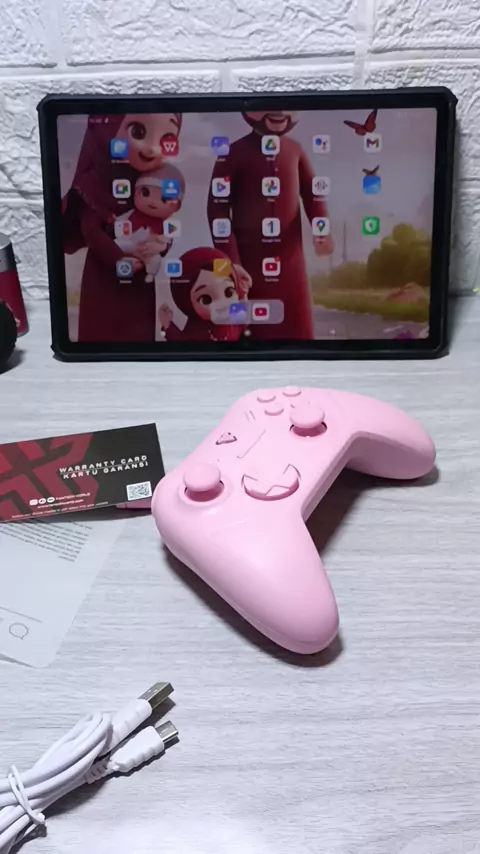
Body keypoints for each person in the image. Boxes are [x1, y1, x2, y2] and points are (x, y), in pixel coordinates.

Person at [207, 111, 333, 340]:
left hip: (292, 265)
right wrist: (231, 262)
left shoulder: (295, 150)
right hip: (246, 265)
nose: (279, 110)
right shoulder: (232, 153)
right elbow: (217, 210)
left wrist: (321, 230)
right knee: (248, 333)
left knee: (299, 329)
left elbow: (313, 194)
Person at [63, 113, 182, 342]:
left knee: (139, 333)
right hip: (103, 276)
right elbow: (91, 231)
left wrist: (160, 246)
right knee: (100, 331)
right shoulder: (93, 184)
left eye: (166, 137)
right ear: (107, 131)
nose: (152, 148)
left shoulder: (155, 184)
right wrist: (119, 259)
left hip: (139, 282)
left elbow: (163, 226)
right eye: (138, 132)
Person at [158, 247, 251, 343]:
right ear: (187, 303)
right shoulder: (196, 331)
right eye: (206, 300)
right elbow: (182, 344)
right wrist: (168, 325)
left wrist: (243, 293)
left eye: (229, 292)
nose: (222, 304)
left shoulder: (233, 317)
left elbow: (244, 323)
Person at [114, 163, 185, 283]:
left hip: (148, 251)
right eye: (145, 193)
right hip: (128, 244)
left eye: (164, 199)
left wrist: (160, 247)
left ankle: (150, 273)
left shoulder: (168, 225)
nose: (152, 202)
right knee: (117, 245)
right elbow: (119, 222)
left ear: (177, 207)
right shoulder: (130, 214)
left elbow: (167, 241)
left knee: (154, 260)